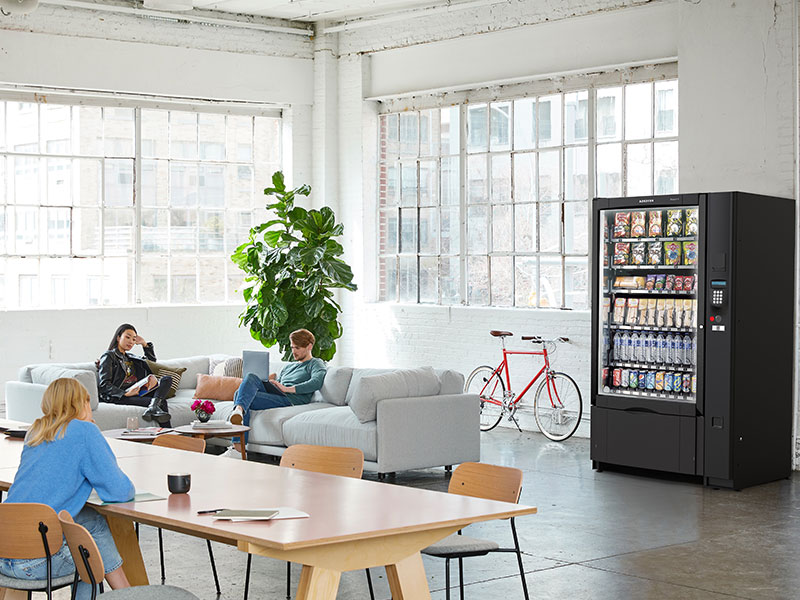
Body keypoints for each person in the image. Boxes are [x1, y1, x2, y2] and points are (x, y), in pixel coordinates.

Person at [0, 378, 135, 599]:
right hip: (34, 564)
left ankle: (128, 593)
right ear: (80, 404)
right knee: (88, 555)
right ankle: (128, 594)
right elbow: (120, 492)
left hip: (4, 553)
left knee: (91, 520)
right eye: (87, 402)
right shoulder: (84, 431)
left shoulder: (36, 431)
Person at [223, 329, 326, 458]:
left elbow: (316, 382)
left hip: (290, 400)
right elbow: (280, 383)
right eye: (292, 347)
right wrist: (273, 384)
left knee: (240, 395)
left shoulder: (315, 363)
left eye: (297, 348)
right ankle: (239, 411)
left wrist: (286, 389)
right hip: (278, 394)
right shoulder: (288, 367)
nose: (293, 351)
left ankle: (237, 449)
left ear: (309, 346)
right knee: (250, 378)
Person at [98, 323, 173, 426]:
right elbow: (104, 385)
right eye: (127, 337)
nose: (131, 342)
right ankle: (167, 434)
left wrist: (144, 345)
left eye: (133, 339)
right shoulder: (109, 356)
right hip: (121, 396)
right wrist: (125, 393)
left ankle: (153, 406)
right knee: (162, 402)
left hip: (137, 390)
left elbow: (151, 363)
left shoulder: (130, 357)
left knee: (166, 379)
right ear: (118, 337)